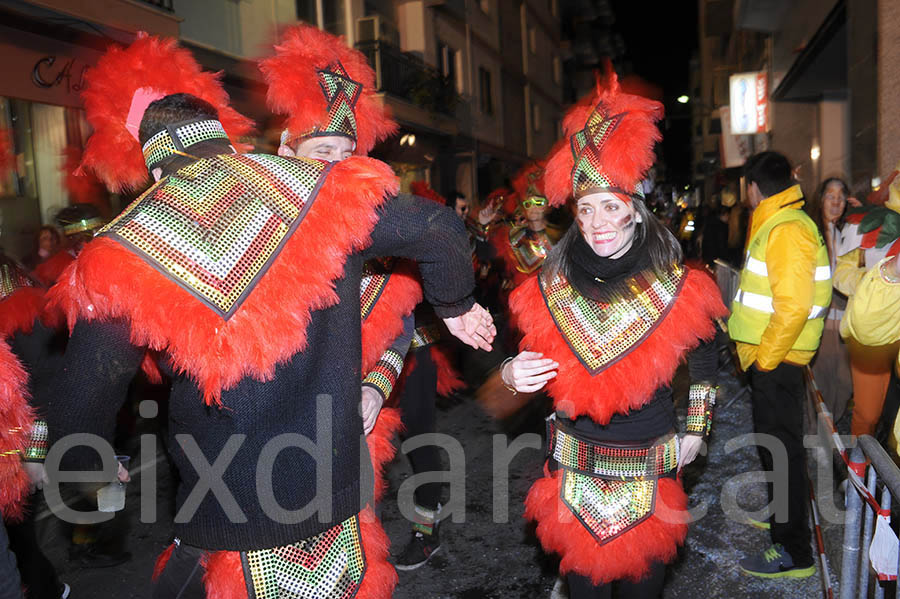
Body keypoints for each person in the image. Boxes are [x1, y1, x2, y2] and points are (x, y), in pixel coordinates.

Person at [41, 34, 493, 599]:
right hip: (336, 503)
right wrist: (455, 305)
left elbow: (84, 398)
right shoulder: (316, 190)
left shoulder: (123, 249)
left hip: (230, 510)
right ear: (225, 141)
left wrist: (88, 466)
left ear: (155, 172)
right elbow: (439, 229)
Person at [500, 70, 726, 598]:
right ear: (573, 216)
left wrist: (697, 429)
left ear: (634, 210)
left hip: (649, 465)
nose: (599, 221)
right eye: (585, 208)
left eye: (610, 206)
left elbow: (709, 358)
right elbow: (529, 361)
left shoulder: (679, 287)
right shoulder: (546, 286)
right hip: (574, 467)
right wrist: (512, 374)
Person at [728, 151, 832, 578]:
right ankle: (783, 528)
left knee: (783, 454)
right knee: (778, 452)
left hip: (778, 359)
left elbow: (793, 307)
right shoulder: (781, 222)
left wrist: (765, 360)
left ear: (753, 187)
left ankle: (794, 551)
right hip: (775, 358)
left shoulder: (786, 227)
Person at [834, 165, 900, 440]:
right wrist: (878, 283)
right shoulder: (865, 220)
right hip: (871, 330)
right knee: (869, 415)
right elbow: (841, 273)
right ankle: (860, 474)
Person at [805, 177, 853, 425]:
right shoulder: (812, 232)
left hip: (844, 323)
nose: (836, 201)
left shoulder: (848, 232)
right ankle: (817, 444)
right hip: (820, 323)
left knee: (844, 383)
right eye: (830, 195)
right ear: (820, 199)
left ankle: (829, 440)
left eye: (841, 196)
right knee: (820, 385)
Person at [843, 252, 900, 446]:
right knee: (868, 414)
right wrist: (882, 277)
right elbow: (842, 273)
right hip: (874, 341)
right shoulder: (861, 233)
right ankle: (860, 463)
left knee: (887, 412)